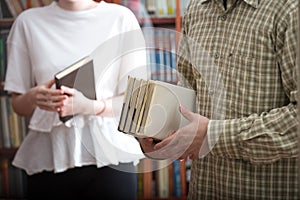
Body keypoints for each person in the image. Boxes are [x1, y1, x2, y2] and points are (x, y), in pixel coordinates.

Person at [139, 0, 299, 199]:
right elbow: (187, 99)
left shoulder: (290, 9)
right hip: (203, 190)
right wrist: (161, 135)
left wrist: (212, 135)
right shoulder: (195, 10)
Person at [4, 0, 148, 199]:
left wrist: (91, 106)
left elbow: (136, 100)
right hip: (49, 158)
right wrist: (33, 97)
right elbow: (18, 104)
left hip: (111, 159)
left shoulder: (121, 18)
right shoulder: (27, 23)